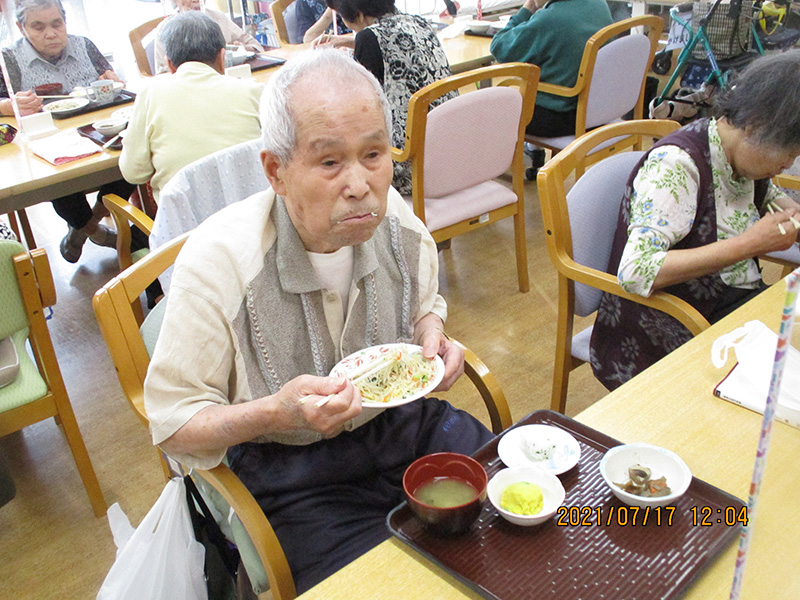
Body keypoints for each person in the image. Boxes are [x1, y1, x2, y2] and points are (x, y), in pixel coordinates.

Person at [143, 48, 493, 594]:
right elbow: (172, 423)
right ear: (276, 171)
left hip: (399, 426)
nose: (359, 184)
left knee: (514, 509)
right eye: (330, 162)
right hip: (291, 471)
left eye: (374, 154)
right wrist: (273, 412)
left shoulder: (395, 221)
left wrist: (432, 334)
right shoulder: (220, 263)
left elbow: (426, 305)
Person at [590, 50, 800, 391]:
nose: (789, 163)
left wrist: (790, 217)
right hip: (666, 322)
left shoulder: (740, 154)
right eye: (789, 153)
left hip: (725, 303)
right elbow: (636, 271)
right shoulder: (676, 165)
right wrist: (750, 244)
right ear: (756, 126)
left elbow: (776, 203)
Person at [0, 0, 129, 263]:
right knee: (56, 179)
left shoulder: (83, 45)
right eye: (38, 27)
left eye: (56, 23)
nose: (50, 33)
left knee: (132, 158)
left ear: (65, 21)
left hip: (99, 137)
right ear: (21, 28)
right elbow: (3, 101)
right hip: (50, 145)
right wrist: (9, 105)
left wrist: (111, 80)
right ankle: (99, 233)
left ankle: (83, 230)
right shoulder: (9, 58)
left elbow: (110, 78)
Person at [120, 11, 263, 203]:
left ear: (169, 64)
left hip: (184, 229)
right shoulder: (255, 92)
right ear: (222, 58)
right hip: (254, 222)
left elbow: (133, 172)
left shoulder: (150, 94)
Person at [317, 0, 456, 195]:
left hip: (412, 164)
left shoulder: (369, 39)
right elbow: (393, 41)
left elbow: (358, 102)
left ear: (358, 14)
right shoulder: (419, 22)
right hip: (453, 151)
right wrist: (352, 42)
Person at [489, 0, 612, 167]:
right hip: (598, 109)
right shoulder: (598, 5)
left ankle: (489, 170)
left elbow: (499, 46)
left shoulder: (550, 20)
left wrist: (527, 8)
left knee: (493, 108)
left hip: (563, 116)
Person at [152, 0, 264, 75]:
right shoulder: (165, 29)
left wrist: (244, 48)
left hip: (227, 81)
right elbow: (162, 73)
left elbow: (256, 46)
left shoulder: (219, 18)